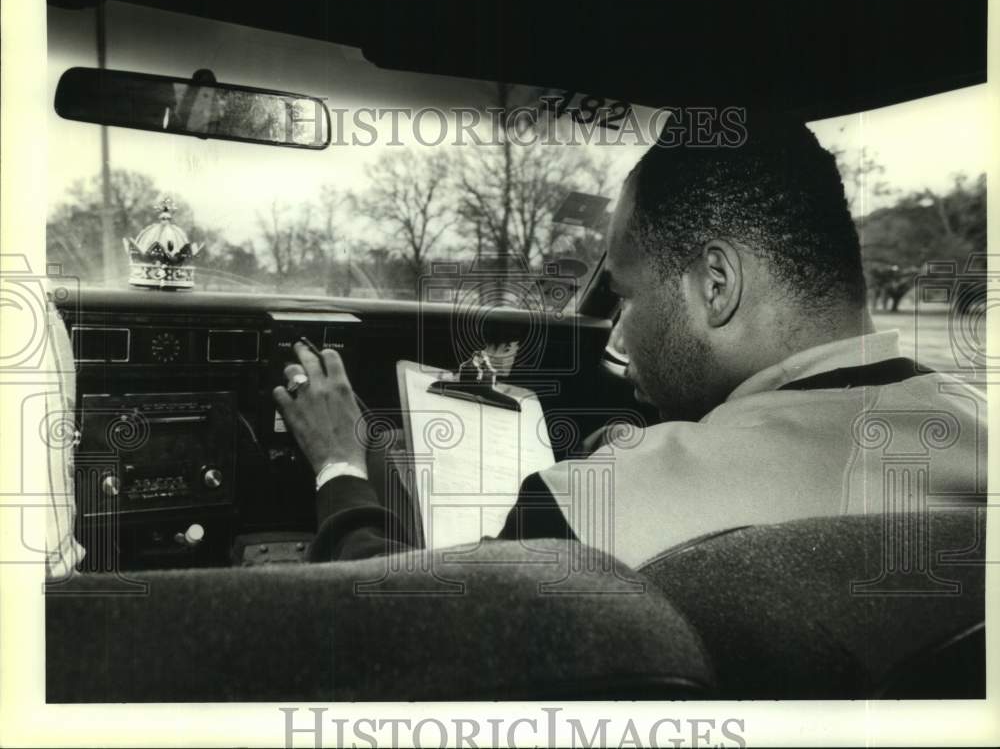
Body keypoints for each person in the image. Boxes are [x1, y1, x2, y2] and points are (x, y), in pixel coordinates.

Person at [273, 114, 986, 566]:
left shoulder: (600, 507)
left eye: (627, 293)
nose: (614, 336)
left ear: (716, 284)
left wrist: (339, 464)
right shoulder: (977, 423)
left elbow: (397, 637)